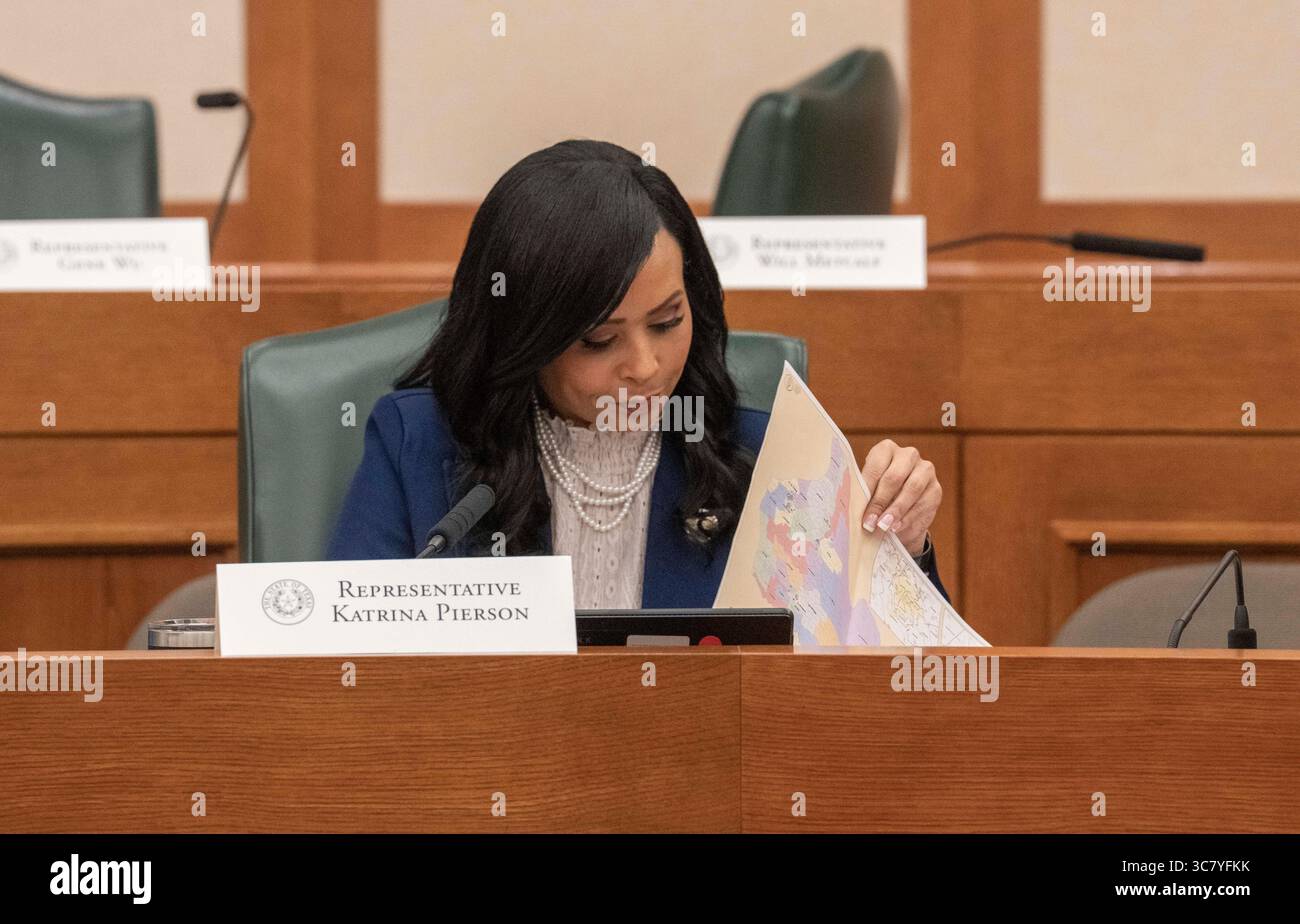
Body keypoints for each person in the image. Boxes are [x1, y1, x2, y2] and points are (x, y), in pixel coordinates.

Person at [326, 139, 947, 608]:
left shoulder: (765, 459)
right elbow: (342, 665)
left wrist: (903, 549)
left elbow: (883, 680)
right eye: (600, 340)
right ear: (524, 337)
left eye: (667, 321)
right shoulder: (417, 446)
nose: (646, 368)